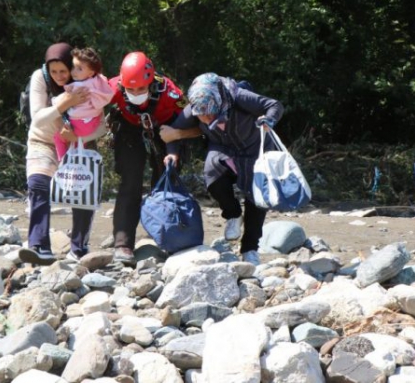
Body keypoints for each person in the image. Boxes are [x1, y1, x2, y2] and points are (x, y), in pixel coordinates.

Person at [163, 72, 284, 265]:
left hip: (254, 147)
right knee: (212, 175)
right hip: (223, 148)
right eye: (201, 115)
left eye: (211, 112)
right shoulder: (194, 108)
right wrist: (172, 154)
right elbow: (170, 134)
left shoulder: (239, 97)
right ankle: (233, 214)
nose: (207, 117)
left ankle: (250, 249)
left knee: (257, 198)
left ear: (220, 101)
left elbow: (274, 105)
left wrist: (269, 120)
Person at [106, 52, 201, 264]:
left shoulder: (171, 94)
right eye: (130, 89)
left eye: (141, 88)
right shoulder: (112, 87)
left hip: (166, 129)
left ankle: (169, 238)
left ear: (150, 82)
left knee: (166, 180)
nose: (136, 93)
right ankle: (123, 244)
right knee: (130, 182)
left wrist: (173, 150)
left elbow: (188, 124)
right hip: (129, 129)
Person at [19, 42, 105, 265]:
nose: (58, 76)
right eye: (53, 71)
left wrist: (77, 139)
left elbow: (102, 125)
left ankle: (78, 247)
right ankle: (39, 246)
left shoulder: (85, 78)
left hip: (79, 143)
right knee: (38, 184)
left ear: (72, 68)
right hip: (43, 140)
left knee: (83, 193)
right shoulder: (40, 77)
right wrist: (65, 103)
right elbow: (37, 117)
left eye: (63, 71)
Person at [53, 47, 113, 160]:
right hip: (91, 123)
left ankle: (62, 162)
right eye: (73, 67)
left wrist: (54, 102)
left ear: (90, 73)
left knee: (58, 137)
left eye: (79, 69)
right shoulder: (99, 81)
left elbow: (61, 100)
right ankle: (77, 160)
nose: (74, 72)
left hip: (78, 123)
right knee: (77, 145)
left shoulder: (79, 87)